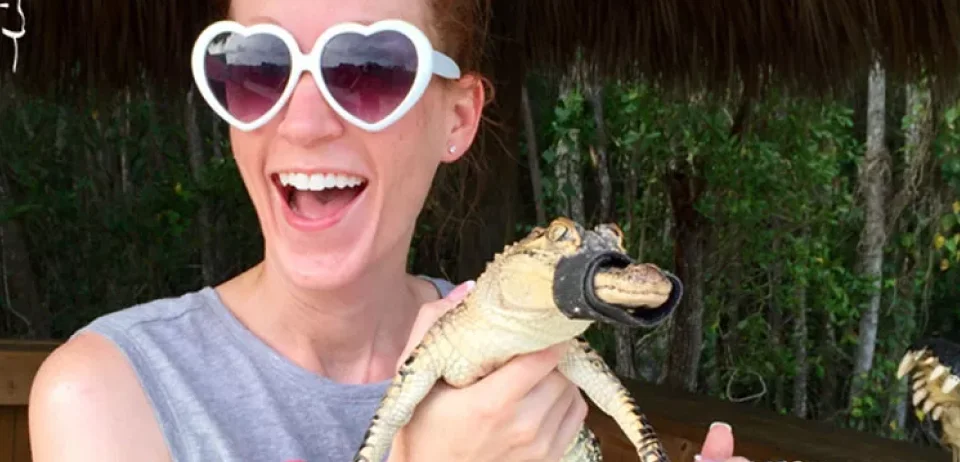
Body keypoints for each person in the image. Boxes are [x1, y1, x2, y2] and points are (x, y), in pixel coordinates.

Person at [27, 0, 752, 460]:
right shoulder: (104, 394)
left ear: (458, 117)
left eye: (368, 69)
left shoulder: (521, 360)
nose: (302, 124)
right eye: (259, 66)